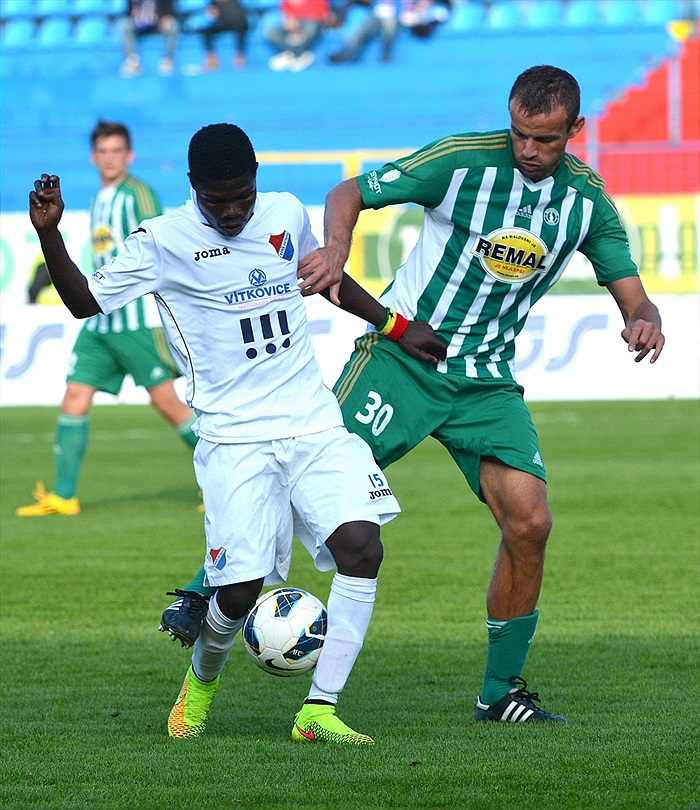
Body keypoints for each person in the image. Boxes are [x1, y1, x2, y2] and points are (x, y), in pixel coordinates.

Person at [161, 66, 666, 724]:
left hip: (485, 381)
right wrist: (337, 248)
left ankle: (500, 693)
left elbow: (630, 288)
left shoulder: (587, 203)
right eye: (518, 133)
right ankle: (206, 591)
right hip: (402, 361)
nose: (527, 149)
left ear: (575, 131)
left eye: (543, 139)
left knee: (532, 523)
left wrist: (643, 317)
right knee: (295, 468)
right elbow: (350, 190)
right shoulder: (460, 163)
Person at [27, 123, 445, 744]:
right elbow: (85, 302)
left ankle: (319, 710)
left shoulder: (281, 213)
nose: (231, 212)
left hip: (311, 419)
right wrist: (50, 234)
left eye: (241, 197)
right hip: (234, 437)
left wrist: (393, 323)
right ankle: (197, 690)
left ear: (257, 182)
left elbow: (322, 276)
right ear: (193, 187)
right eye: (217, 200)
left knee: (363, 547)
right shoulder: (163, 240)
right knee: (239, 588)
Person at [17, 120, 198, 517]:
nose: (110, 158)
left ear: (129, 155)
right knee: (74, 397)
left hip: (133, 321)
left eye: (117, 151)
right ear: (93, 156)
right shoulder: (100, 198)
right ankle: (65, 496)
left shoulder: (138, 194)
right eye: (103, 151)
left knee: (168, 404)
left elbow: (158, 242)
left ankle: (224, 477)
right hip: (99, 322)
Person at [265, 0, 332, 72]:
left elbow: (322, 13)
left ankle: (291, 56)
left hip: (311, 21)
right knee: (272, 32)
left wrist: (301, 22)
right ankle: (299, 55)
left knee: (311, 27)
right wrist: (290, 19)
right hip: (294, 21)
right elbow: (286, 9)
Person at [119, 0, 180, 77]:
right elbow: (128, 13)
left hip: (158, 24)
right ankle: (132, 62)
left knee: (172, 26)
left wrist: (165, 17)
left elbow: (168, 12)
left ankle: (168, 60)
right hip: (139, 24)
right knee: (125, 25)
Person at [328, 0, 399, 64]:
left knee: (389, 30)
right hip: (375, 14)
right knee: (359, 31)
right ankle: (345, 55)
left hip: (393, 15)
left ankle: (386, 56)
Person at [199, 0, 249, 71]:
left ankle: (240, 56)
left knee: (241, 26)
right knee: (206, 32)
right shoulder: (215, 2)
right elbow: (212, 14)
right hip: (225, 23)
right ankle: (212, 58)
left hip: (238, 23)